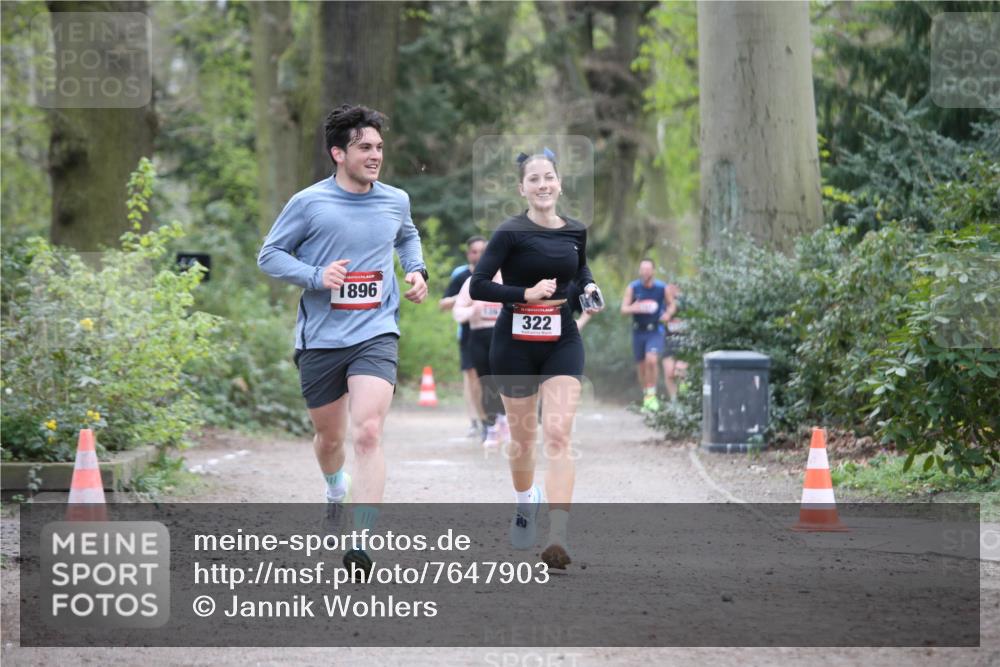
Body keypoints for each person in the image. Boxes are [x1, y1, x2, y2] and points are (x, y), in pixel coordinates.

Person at [257, 104, 427, 576]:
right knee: (329, 438)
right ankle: (335, 484)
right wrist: (315, 275)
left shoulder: (396, 199)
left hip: (376, 330)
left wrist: (415, 269)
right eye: (364, 148)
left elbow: (407, 237)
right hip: (321, 339)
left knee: (368, 431)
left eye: (378, 148)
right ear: (338, 153)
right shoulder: (309, 203)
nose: (375, 156)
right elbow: (269, 256)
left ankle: (362, 541)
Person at [470, 149, 603, 570]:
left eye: (549, 177)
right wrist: (523, 294)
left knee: (559, 435)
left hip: (562, 339)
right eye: (534, 179)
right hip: (513, 343)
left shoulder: (576, 231)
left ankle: (558, 537)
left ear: (560, 183)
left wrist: (590, 288)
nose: (543, 185)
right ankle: (526, 503)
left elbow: (579, 272)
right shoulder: (509, 232)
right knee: (524, 440)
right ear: (522, 188)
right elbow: (477, 286)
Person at [451, 270, 509, 448]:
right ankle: (491, 426)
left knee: (504, 382)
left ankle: (507, 422)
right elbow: (457, 311)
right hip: (478, 335)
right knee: (485, 383)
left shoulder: (509, 277)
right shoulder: (473, 281)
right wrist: (472, 310)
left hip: (503, 335)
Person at [439, 237, 487, 438]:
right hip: (468, 332)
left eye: (483, 251)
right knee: (472, 377)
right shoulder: (461, 275)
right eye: (474, 251)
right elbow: (442, 304)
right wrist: (464, 299)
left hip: (493, 330)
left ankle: (493, 418)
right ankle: (478, 421)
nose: (479, 255)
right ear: (469, 254)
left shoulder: (498, 273)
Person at [620, 258, 675, 411]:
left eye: (648, 269)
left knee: (652, 360)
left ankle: (652, 396)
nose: (645, 272)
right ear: (640, 271)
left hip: (655, 330)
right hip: (638, 331)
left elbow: (672, 305)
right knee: (642, 367)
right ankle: (647, 396)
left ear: (653, 271)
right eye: (642, 269)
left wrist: (667, 315)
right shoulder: (633, 288)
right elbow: (623, 309)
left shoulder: (661, 288)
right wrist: (635, 308)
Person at [662, 282, 689, 401]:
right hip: (668, 343)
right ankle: (674, 400)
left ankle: (685, 397)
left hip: (685, 343)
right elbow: (662, 320)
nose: (673, 291)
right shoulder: (663, 305)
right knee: (669, 373)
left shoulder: (686, 304)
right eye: (670, 288)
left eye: (675, 288)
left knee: (680, 371)